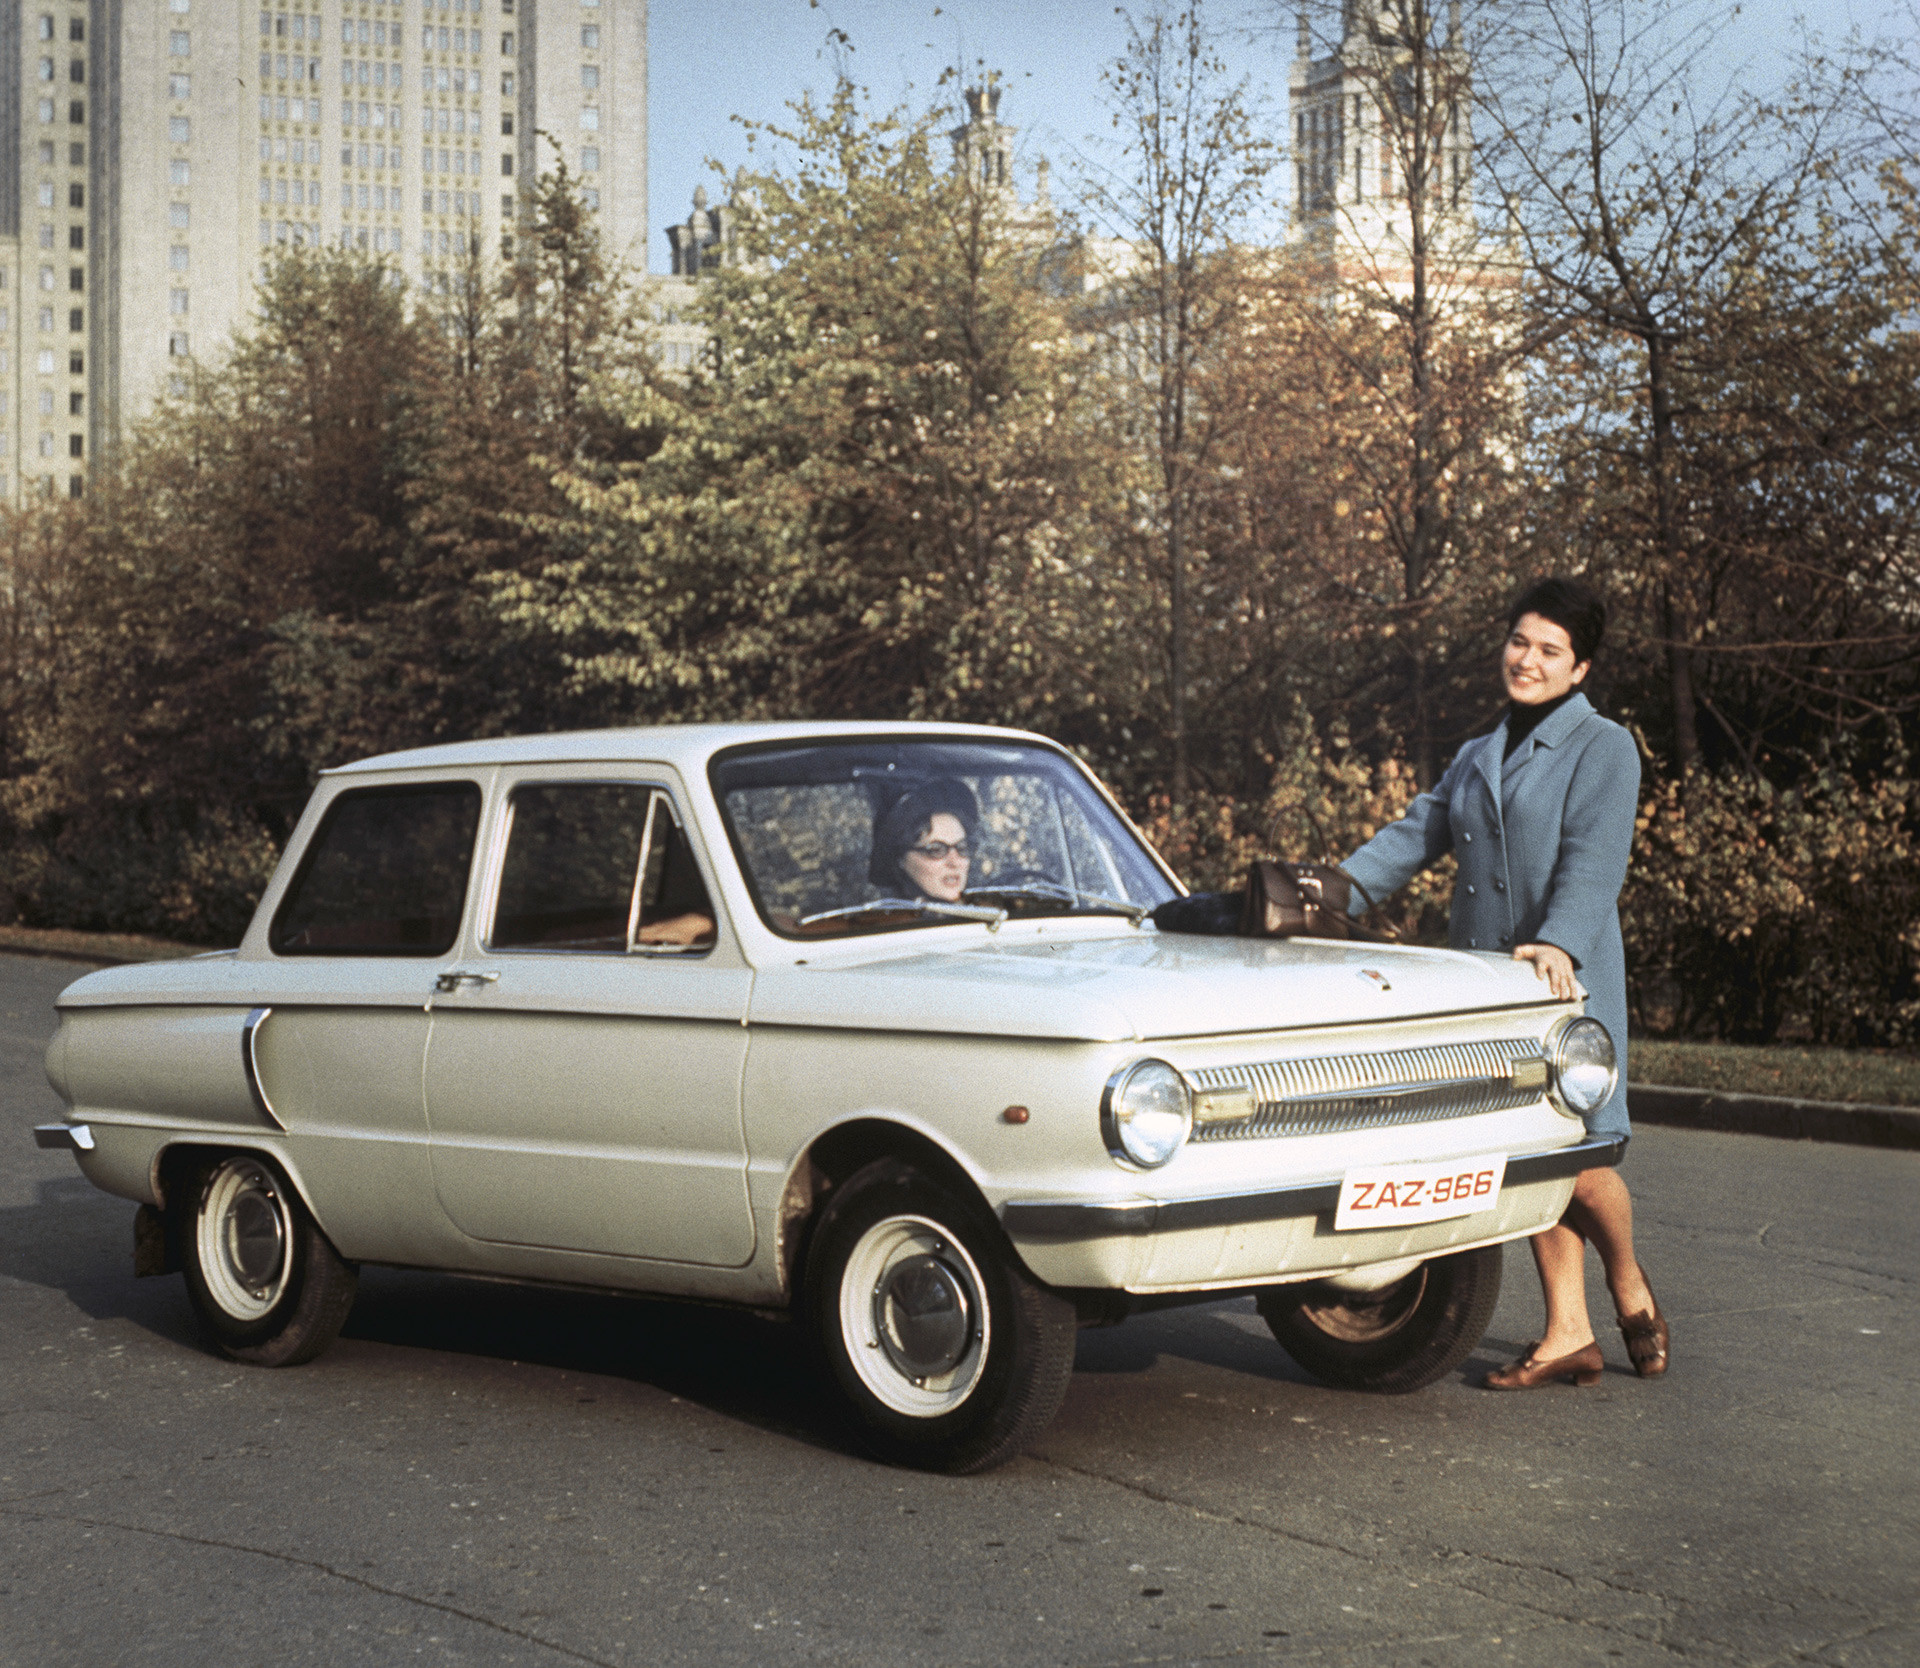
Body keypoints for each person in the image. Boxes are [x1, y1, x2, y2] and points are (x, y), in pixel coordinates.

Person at [1340, 577, 1669, 1389]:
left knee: (1582, 1155)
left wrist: (1557, 940)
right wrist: (1319, 893)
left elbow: (1596, 861)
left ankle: (1627, 1278)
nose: (1528, 660)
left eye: (1550, 650)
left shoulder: (1605, 747)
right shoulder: (1477, 752)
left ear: (1580, 667)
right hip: (1486, 987)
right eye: (1519, 642)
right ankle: (1568, 1331)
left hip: (1565, 980)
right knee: (1530, 1155)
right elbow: (1410, 838)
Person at [869, 778, 980, 903]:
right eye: (935, 850)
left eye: (962, 848)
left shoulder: (988, 916)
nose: (954, 862)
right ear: (901, 859)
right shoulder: (890, 921)